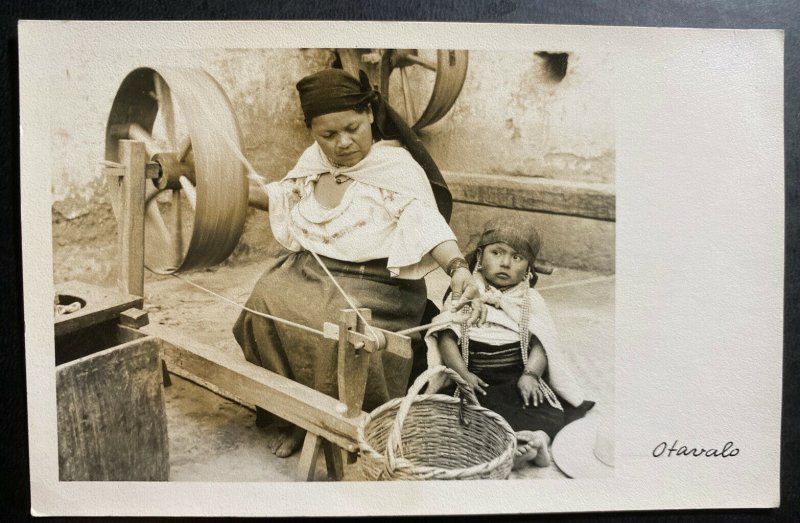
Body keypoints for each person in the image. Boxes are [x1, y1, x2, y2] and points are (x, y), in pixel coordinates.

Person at [233, 68, 485, 458]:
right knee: (263, 300)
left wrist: (458, 268)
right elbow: (284, 196)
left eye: (352, 128)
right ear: (311, 131)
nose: (342, 144)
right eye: (328, 135)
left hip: (379, 286)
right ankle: (293, 416)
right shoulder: (313, 160)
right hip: (311, 270)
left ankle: (340, 424)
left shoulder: (396, 169)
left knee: (337, 325)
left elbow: (427, 222)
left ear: (369, 113)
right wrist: (216, 187)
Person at [425, 218, 594, 469]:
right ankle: (507, 449)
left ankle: (537, 441)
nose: (505, 262)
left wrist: (531, 375)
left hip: (515, 376)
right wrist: (463, 375)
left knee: (549, 410)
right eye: (497, 252)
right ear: (480, 257)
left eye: (517, 257)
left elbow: (542, 343)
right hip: (476, 377)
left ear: (528, 268)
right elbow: (446, 338)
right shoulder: (467, 292)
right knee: (461, 413)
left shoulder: (531, 299)